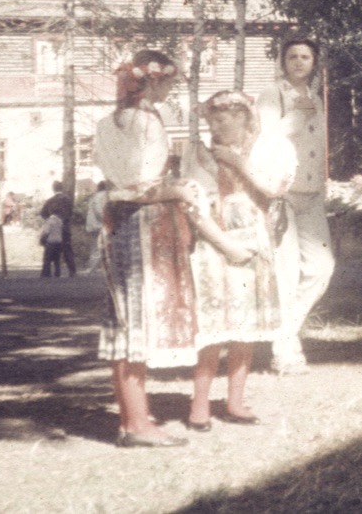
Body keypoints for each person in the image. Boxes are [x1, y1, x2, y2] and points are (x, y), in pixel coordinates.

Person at [93, 51, 197, 448]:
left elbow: (119, 183)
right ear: (153, 80)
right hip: (141, 224)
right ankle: (137, 424)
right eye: (169, 82)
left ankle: (130, 418)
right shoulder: (149, 121)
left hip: (116, 223)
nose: (171, 89)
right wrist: (179, 191)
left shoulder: (108, 122)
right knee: (137, 320)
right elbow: (142, 187)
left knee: (122, 319)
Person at [182, 91, 296, 431]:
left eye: (224, 120)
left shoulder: (265, 150)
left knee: (246, 327)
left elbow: (274, 188)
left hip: (255, 242)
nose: (216, 127)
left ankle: (235, 401)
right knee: (213, 328)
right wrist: (225, 243)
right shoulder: (200, 153)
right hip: (214, 243)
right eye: (212, 121)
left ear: (245, 119)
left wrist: (237, 162)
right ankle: (199, 405)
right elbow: (195, 206)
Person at [257, 37, 334, 376]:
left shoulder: (316, 98)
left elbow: (317, 148)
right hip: (282, 193)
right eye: (293, 56)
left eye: (306, 57)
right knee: (286, 274)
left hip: (312, 194)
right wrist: (297, 116)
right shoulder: (271, 94)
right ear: (283, 61)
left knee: (322, 268)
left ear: (314, 63)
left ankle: (284, 331)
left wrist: (323, 188)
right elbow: (265, 140)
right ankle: (285, 352)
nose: (299, 62)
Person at [39, 180, 77, 277]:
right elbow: (71, 212)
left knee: (51, 251)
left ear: (53, 189)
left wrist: (50, 219)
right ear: (62, 188)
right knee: (67, 249)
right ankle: (72, 270)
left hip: (53, 229)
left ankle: (48, 272)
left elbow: (43, 213)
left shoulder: (50, 201)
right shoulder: (67, 200)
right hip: (65, 227)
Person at [84, 182, 110, 273]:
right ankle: (93, 268)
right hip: (99, 225)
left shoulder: (94, 197)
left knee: (95, 247)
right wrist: (107, 220)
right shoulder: (103, 196)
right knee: (100, 247)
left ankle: (93, 267)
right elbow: (100, 211)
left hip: (93, 225)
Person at [38, 213, 66, 278]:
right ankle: (57, 273)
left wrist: (42, 239)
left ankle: (46, 273)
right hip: (59, 241)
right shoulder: (60, 221)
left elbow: (46, 232)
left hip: (50, 242)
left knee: (47, 259)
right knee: (57, 259)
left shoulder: (49, 221)